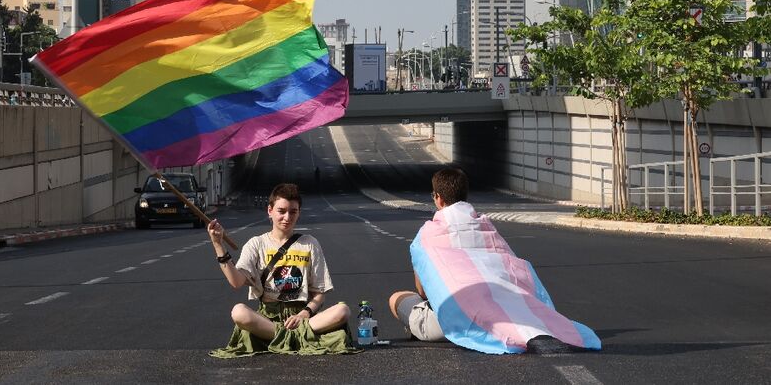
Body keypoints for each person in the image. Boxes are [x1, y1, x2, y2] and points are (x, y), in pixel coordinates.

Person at [389, 168, 601, 354]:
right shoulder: (486, 228)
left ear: (438, 198)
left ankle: (419, 328)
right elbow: (512, 268)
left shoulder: (426, 236)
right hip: (504, 313)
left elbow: (425, 291)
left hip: (452, 323)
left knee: (397, 298)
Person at [207, 183, 356, 357]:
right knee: (239, 312)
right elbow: (236, 281)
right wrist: (218, 244)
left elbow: (319, 293)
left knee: (343, 310)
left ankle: (282, 337)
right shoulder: (256, 244)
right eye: (281, 211)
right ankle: (296, 338)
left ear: (299, 212)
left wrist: (304, 314)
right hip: (268, 320)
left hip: (303, 317)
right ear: (269, 211)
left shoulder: (310, 243)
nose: (287, 217)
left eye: (293, 211)